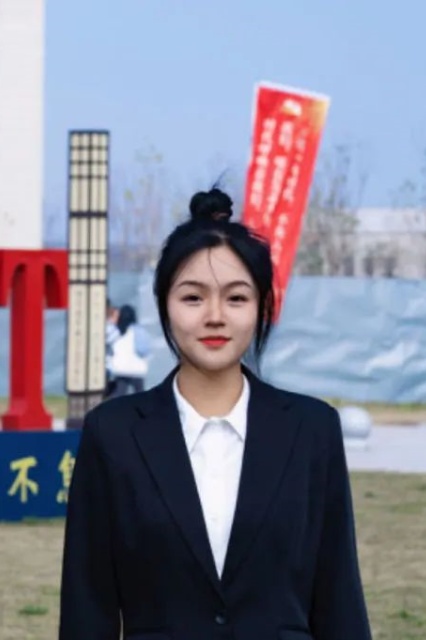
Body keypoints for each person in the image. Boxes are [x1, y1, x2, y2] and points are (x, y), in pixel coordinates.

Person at [59, 188, 372, 640]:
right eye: (192, 298)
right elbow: (87, 605)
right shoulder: (113, 433)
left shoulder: (312, 429)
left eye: (236, 298)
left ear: (262, 307)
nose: (215, 316)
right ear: (165, 305)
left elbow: (339, 597)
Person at [106, 304, 152, 397]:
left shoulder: (116, 331)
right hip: (137, 369)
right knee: (140, 395)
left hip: (121, 369)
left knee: (119, 393)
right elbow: (144, 350)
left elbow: (109, 346)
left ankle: (110, 406)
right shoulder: (139, 331)